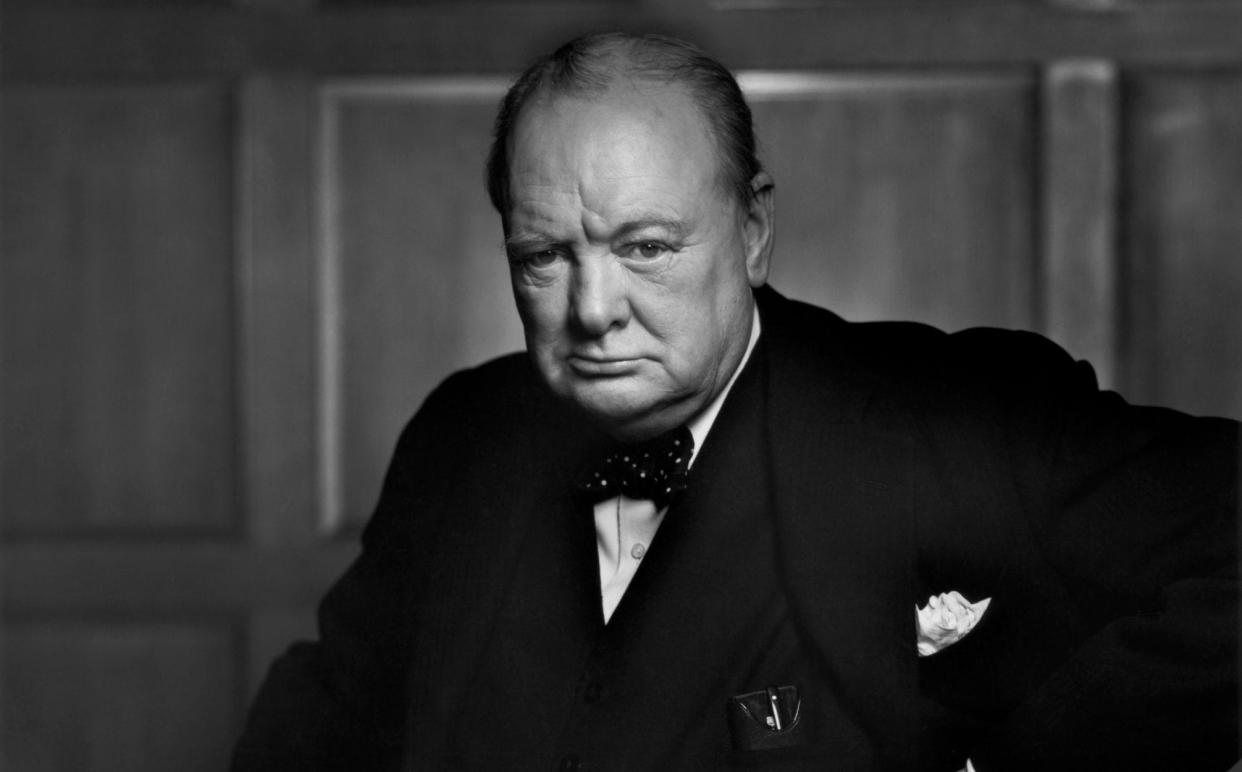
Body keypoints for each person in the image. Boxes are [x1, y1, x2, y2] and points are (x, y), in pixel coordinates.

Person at [232, 33, 1240, 771]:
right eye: (543, 257)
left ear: (752, 229)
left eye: (646, 249)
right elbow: (324, 719)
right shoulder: (463, 432)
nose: (593, 311)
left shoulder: (946, 413)